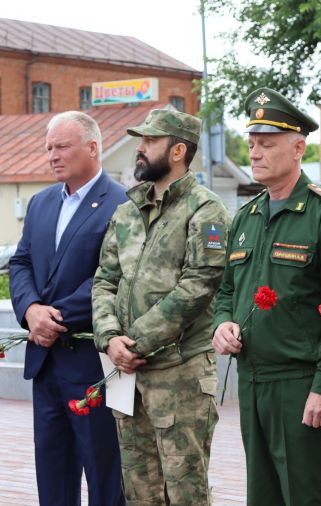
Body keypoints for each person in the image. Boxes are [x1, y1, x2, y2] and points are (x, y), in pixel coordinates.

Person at [212, 88, 321, 506]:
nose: (254, 153)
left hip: (299, 385)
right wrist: (223, 323)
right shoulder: (246, 217)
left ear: (298, 148)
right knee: (263, 496)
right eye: (253, 143)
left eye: (267, 144)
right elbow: (226, 291)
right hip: (251, 381)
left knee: (306, 495)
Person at [92, 108, 230, 505]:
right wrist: (109, 338)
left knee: (185, 491)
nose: (140, 148)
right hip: (126, 374)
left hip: (180, 373)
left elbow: (200, 284)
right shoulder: (127, 210)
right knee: (140, 491)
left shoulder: (205, 210)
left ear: (177, 150)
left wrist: (133, 342)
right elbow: (104, 280)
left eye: (150, 141)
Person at [9, 111, 126, 505]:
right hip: (46, 362)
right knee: (53, 473)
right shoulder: (42, 203)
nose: (52, 155)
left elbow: (115, 273)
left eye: (61, 146)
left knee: (103, 471)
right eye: (48, 148)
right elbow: (21, 262)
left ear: (92, 147)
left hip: (90, 362)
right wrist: (29, 311)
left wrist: (51, 316)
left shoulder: (121, 203)